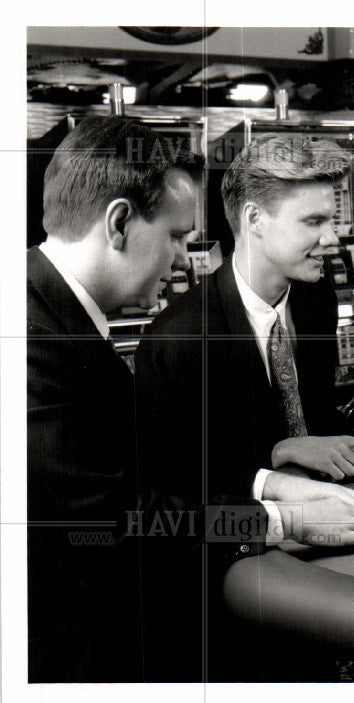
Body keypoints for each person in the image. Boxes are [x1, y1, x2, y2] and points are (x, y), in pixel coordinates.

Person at [134, 133, 354, 680]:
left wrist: (352, 423)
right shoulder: (179, 339)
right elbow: (176, 498)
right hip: (240, 581)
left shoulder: (315, 296)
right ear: (255, 219)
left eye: (332, 219)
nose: (333, 238)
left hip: (332, 540)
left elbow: (313, 414)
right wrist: (280, 453)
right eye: (314, 222)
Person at [26, 116, 200, 681]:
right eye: (176, 237)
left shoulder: (51, 308)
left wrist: (262, 481)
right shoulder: (30, 337)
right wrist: (270, 520)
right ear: (119, 222)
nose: (182, 261)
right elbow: (111, 524)